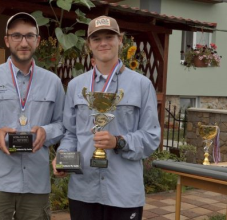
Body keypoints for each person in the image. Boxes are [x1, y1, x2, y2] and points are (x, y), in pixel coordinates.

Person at [53, 16, 161, 220]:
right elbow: (70, 133)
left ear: (120, 40)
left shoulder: (141, 85)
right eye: (96, 38)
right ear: (89, 45)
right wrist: (63, 157)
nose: (103, 43)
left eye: (109, 37)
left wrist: (119, 142)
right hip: (84, 190)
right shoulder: (76, 85)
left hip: (123, 191)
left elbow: (151, 136)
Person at [0, 12, 65, 220]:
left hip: (36, 183)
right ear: (7, 40)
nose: (23, 42)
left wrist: (47, 131)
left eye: (29, 36)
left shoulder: (53, 82)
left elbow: (62, 124)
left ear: (38, 41)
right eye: (16, 36)